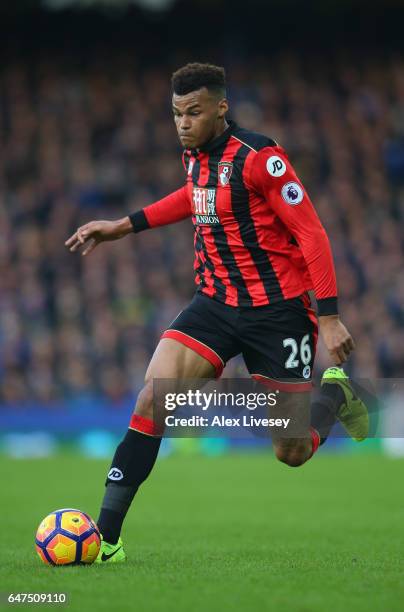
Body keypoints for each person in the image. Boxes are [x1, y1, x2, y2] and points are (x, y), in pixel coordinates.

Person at [65, 63, 369, 563]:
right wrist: (123, 225)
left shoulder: (260, 157)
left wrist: (330, 316)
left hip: (278, 311)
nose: (183, 123)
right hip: (214, 304)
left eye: (194, 112)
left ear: (221, 108)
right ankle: (107, 538)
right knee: (153, 398)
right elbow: (194, 197)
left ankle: (336, 392)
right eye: (177, 113)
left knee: (291, 452)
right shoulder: (194, 157)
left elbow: (312, 234)